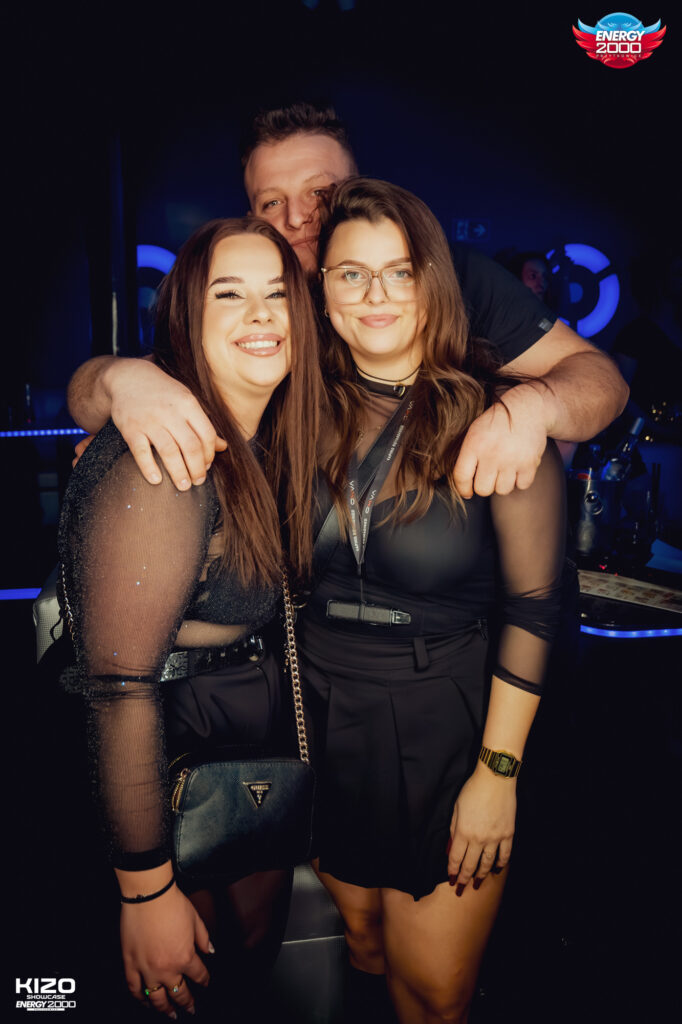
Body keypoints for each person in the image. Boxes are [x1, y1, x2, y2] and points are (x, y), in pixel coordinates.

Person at [299, 177, 568, 1023]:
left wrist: (498, 776)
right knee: (364, 945)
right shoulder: (294, 411)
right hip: (321, 721)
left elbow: (534, 609)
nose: (375, 294)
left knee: (437, 994)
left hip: (444, 731)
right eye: (351, 274)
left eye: (400, 272)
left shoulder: (495, 420)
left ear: (433, 285)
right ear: (323, 290)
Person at [66, 102, 628, 497]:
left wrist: (533, 408)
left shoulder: (443, 275)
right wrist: (125, 384)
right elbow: (88, 395)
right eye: (271, 202)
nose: (296, 218)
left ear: (357, 188)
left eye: (318, 191)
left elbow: (602, 379)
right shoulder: (252, 306)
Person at [57, 216, 322, 1019]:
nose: (262, 314)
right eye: (229, 295)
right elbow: (118, 686)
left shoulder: (265, 435)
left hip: (231, 750)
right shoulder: (166, 455)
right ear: (185, 320)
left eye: (277, 294)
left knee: (238, 987)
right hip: (157, 766)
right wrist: (144, 891)